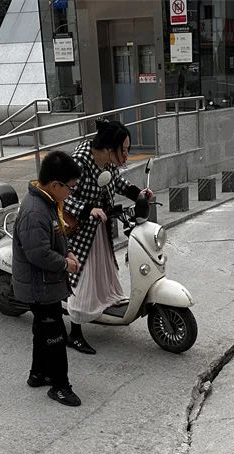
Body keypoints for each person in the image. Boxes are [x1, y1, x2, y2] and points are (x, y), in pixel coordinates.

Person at [63, 118, 152, 355]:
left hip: (99, 227)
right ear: (109, 148)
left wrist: (139, 194)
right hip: (81, 230)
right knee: (84, 275)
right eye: (122, 150)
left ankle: (102, 302)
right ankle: (75, 332)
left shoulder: (108, 161)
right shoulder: (81, 160)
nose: (125, 155)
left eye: (127, 150)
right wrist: (87, 209)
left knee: (103, 269)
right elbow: (64, 194)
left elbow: (117, 182)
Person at [12, 150, 83, 407]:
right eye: (70, 188)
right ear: (55, 185)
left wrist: (69, 252)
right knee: (54, 334)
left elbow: (55, 237)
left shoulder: (47, 203)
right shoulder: (36, 211)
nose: (71, 193)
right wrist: (66, 264)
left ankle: (38, 373)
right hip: (39, 286)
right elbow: (38, 253)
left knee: (43, 329)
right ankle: (60, 386)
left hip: (43, 284)